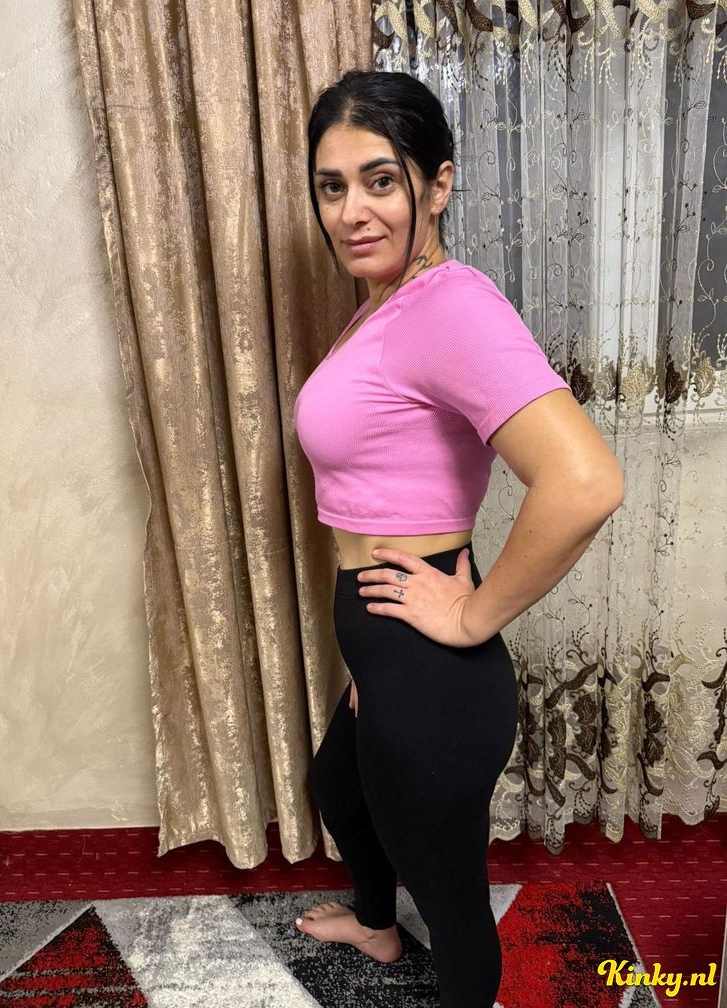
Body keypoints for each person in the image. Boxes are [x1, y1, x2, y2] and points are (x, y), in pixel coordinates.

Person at [293, 70, 624, 1008]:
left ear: (438, 185)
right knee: (340, 790)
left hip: (431, 664)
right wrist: (379, 661)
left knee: (454, 904)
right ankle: (376, 925)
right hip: (390, 642)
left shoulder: (449, 304)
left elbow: (586, 481)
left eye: (380, 180)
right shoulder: (388, 303)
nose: (352, 211)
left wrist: (472, 616)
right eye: (331, 186)